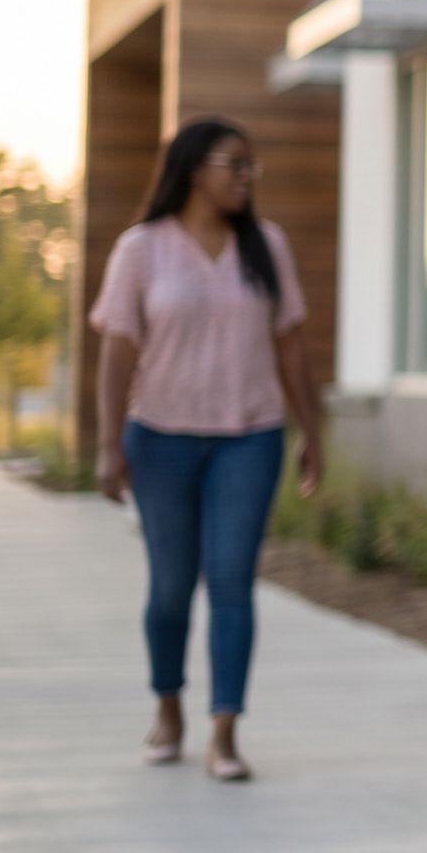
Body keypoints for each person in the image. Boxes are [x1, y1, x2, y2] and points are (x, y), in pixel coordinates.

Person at [89, 116, 325, 783]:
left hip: (249, 437)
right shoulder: (142, 249)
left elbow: (291, 344)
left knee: (231, 582)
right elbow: (116, 353)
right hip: (159, 437)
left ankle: (225, 731)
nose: (247, 177)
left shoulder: (266, 246)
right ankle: (169, 709)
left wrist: (311, 430)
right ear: (194, 170)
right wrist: (109, 446)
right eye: (234, 165)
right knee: (170, 587)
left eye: (253, 167)